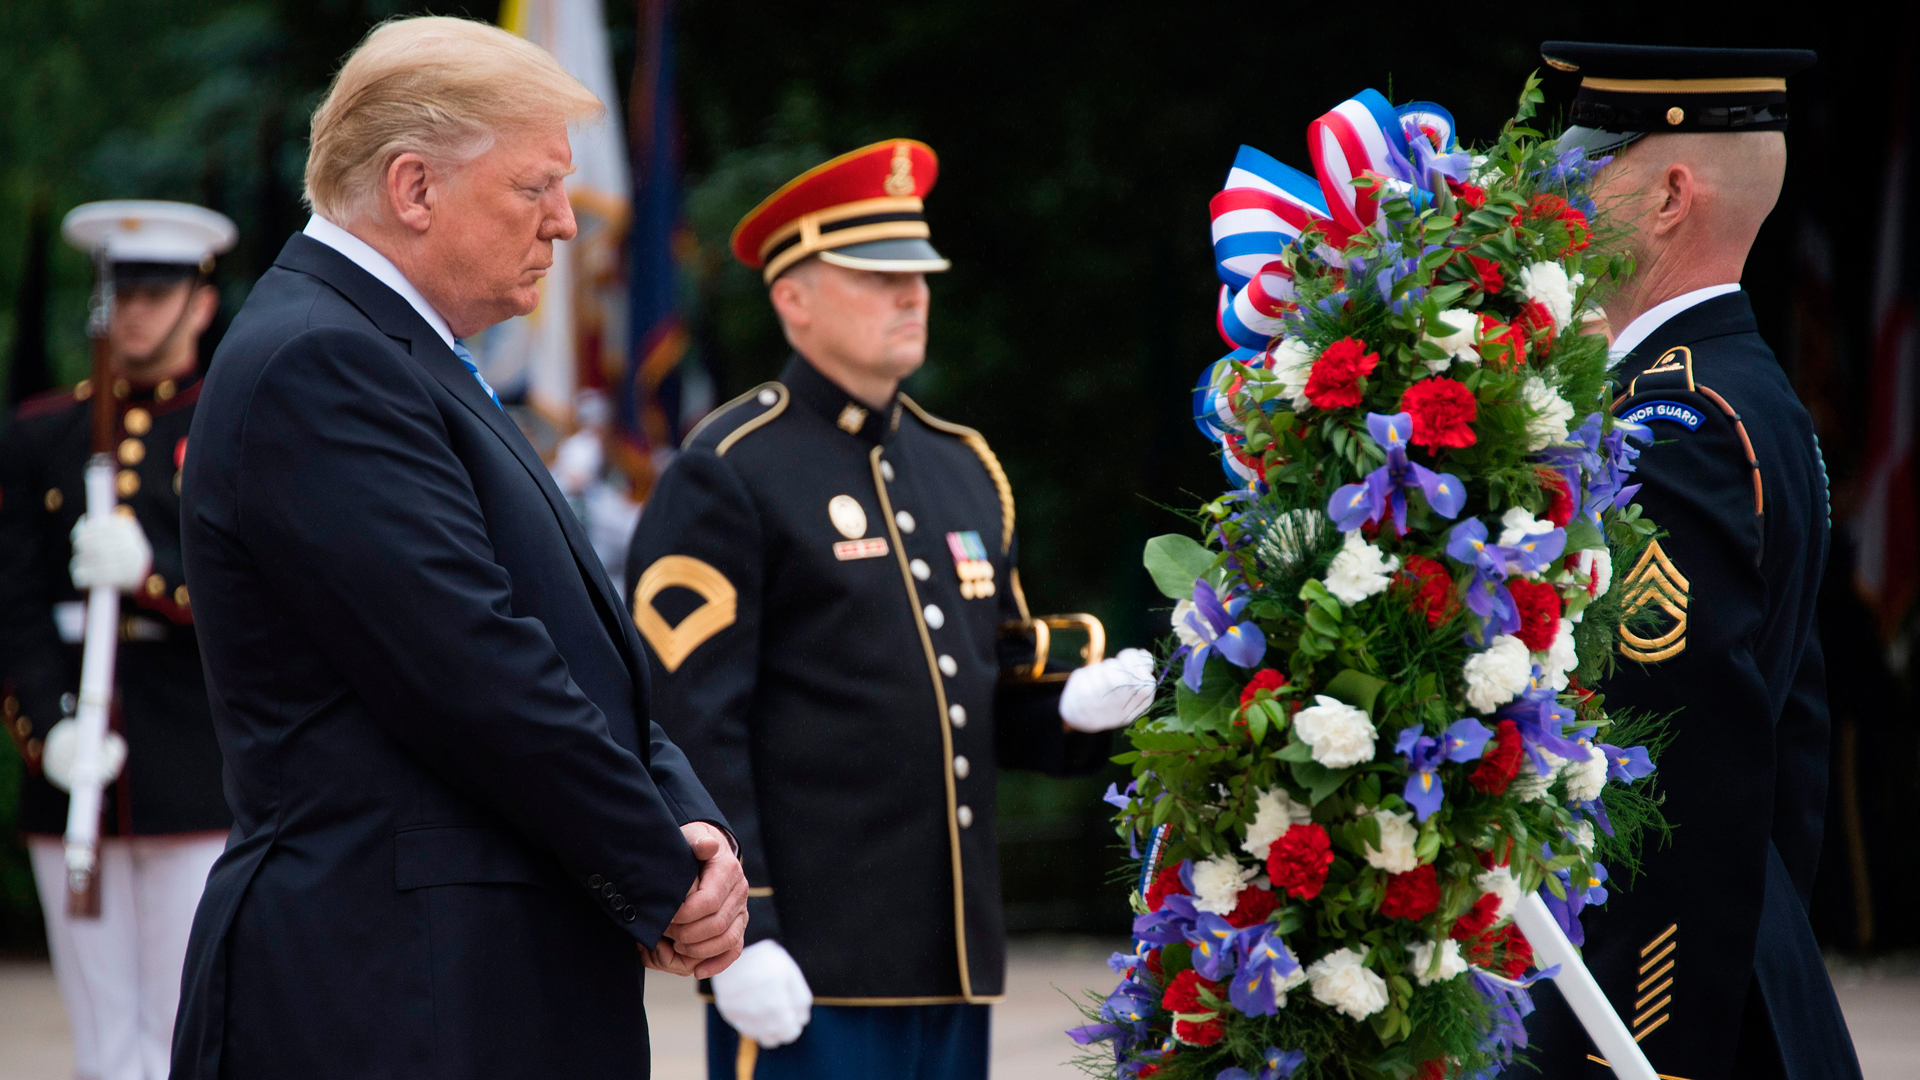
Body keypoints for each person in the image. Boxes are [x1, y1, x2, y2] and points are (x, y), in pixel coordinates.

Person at [169, 18, 742, 1079]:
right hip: (392, 995)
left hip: (459, 981)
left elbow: (572, 648)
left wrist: (690, 827)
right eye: (536, 189)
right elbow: (475, 670)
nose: (569, 225)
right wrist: (662, 874)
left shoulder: (396, 354)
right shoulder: (321, 361)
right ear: (414, 189)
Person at [624, 138, 1156, 1080]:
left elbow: (975, 687)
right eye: (875, 275)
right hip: (805, 966)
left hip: (952, 956)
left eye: (918, 274)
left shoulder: (962, 467)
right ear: (793, 299)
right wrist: (744, 938)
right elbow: (692, 721)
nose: (911, 294)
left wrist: (1066, 710)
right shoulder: (730, 468)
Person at [1527, 42, 1861, 1080]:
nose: (1557, 203)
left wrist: (1637, 1049)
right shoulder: (1740, 393)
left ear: (1672, 194)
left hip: (1655, 1013)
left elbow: (1673, 775)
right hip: (1733, 983)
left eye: (1586, 174)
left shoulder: (1677, 423)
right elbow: (1789, 742)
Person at [0, 200, 234, 1080]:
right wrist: (47, 730)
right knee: (104, 1039)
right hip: (79, 758)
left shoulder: (227, 426)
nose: (134, 309)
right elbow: (13, 601)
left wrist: (154, 573)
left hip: (192, 762)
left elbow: (254, 591)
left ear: (199, 304)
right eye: (120, 291)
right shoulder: (40, 433)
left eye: (156, 289)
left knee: (186, 1022)